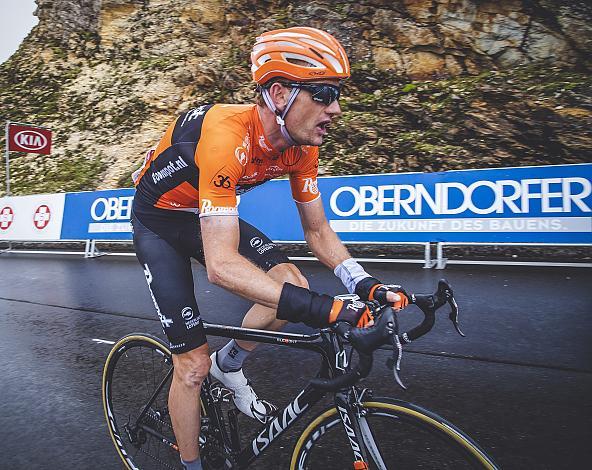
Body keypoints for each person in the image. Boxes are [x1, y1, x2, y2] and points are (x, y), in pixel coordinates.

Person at [130, 26, 408, 470]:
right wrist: (329, 310)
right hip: (159, 221)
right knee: (193, 367)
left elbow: (318, 233)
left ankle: (232, 363)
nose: (334, 109)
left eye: (336, 94)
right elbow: (222, 267)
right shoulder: (227, 137)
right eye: (322, 93)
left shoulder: (301, 145)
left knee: (291, 283)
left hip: (203, 210)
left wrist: (365, 284)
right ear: (278, 93)